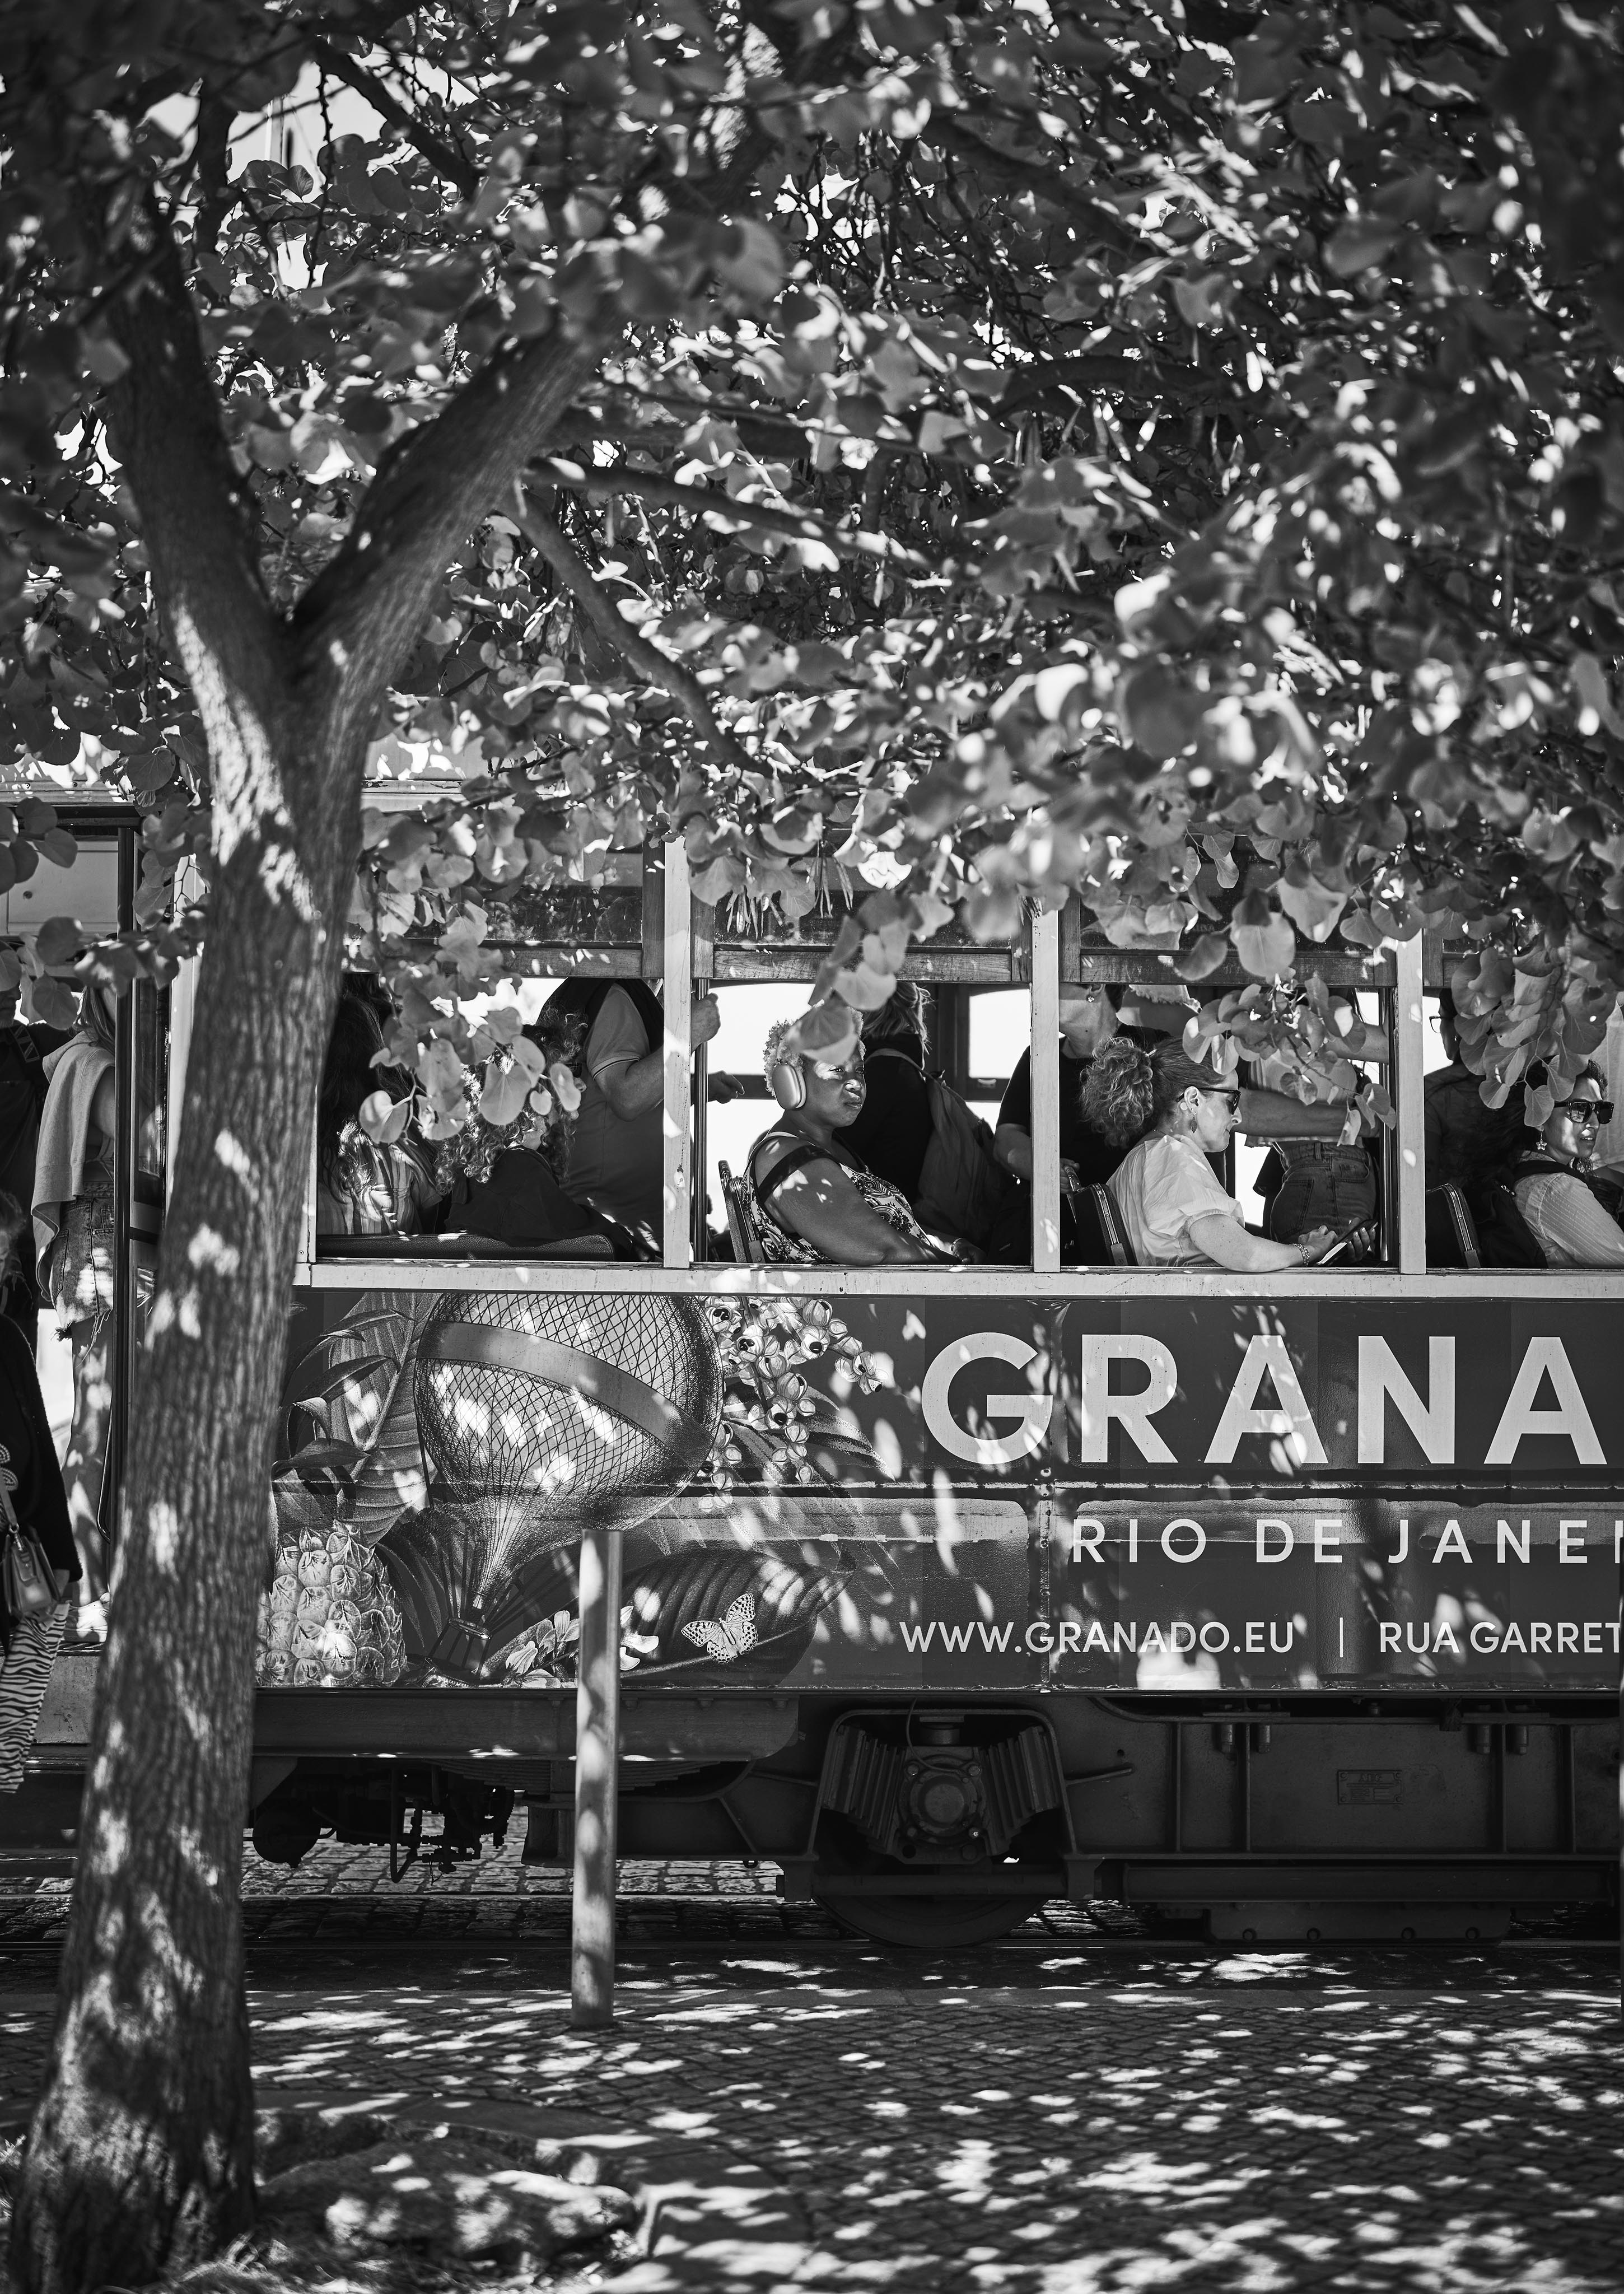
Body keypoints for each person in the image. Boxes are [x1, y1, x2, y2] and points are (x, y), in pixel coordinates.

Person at [1085, 1038, 1342, 1271]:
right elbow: (1247, 1256)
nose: (1237, 1116)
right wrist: (1309, 1251)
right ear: (1193, 1100)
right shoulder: (1175, 1160)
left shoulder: (1146, 1156)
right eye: (1232, 1099)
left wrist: (1295, 1253)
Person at [31, 986, 118, 1641]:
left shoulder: (79, 1057)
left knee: (95, 1431)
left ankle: (86, 1582)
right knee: (92, 1434)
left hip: (94, 1258)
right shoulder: (97, 1064)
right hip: (103, 1264)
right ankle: (82, 1590)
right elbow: (149, 1136)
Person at [741, 1021, 962, 1266]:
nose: (856, 1083)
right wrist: (963, 1270)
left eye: (860, 1071)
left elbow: (894, 1231)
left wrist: (950, 1245)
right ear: (791, 1081)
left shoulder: (831, 1149)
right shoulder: (787, 1160)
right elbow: (880, 1249)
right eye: (837, 1070)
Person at [0, 1190, 78, 1793]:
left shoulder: (7, 1340)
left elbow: (42, 1460)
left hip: (15, 1556)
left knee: (9, 1728)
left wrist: (62, 1557)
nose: (3, 1271)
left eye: (4, 1257)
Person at [547, 979, 722, 1249]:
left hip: (635, 1231)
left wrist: (699, 1087)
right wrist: (689, 1034)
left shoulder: (611, 994)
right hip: (617, 1239)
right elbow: (627, 1096)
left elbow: (605, 1095)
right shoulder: (616, 997)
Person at [315, 990, 441, 1237]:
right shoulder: (405, 1131)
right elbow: (432, 1225)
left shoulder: (298, 1140)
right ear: (374, 1053)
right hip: (398, 1272)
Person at [0, 950, 68, 1350]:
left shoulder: (31, 1044)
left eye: (14, 983)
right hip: (17, 1238)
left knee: (16, 1363)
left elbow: (101, 1035)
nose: (10, 995)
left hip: (24, 1243)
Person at [1507, 1063, 1624, 1268]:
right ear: (1540, 1117)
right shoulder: (1555, 1188)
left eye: (1601, 1110)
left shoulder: (1521, 1170)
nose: (1595, 1123)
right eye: (1580, 1109)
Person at [1425, 995, 1525, 1195]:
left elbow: (1424, 1179)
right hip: (1515, 1215)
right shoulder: (1521, 1083)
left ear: (1459, 1027)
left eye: (1440, 1020)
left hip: (1455, 1219)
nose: (1440, 1031)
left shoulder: (1433, 1090)